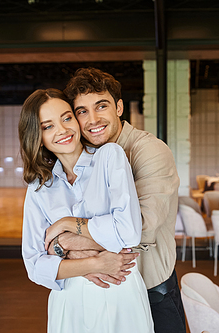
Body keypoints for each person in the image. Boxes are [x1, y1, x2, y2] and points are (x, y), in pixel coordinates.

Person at [48, 67, 186, 333]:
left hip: (151, 290)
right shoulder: (79, 156)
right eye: (82, 111)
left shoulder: (149, 151)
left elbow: (139, 227)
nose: (92, 119)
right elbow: (48, 221)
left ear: (119, 107)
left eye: (101, 106)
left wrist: (68, 239)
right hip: (99, 293)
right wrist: (74, 254)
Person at [19, 88, 154, 333]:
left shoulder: (110, 157)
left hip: (118, 289)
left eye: (67, 118)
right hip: (71, 297)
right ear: (36, 137)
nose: (62, 130)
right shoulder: (39, 187)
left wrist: (65, 228)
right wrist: (95, 263)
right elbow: (35, 265)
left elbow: (129, 233)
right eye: (47, 126)